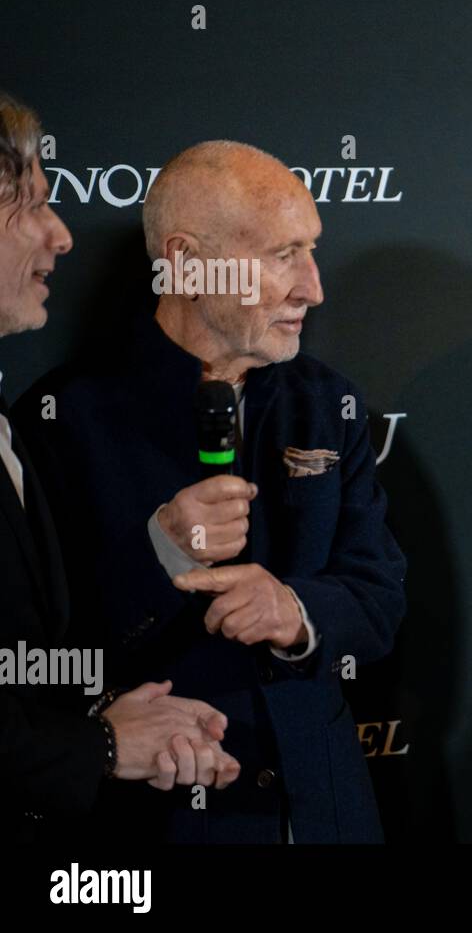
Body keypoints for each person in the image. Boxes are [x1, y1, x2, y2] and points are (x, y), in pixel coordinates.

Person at [14, 139, 406, 842]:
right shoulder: (61, 418)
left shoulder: (328, 404)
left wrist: (293, 610)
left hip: (320, 815)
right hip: (151, 824)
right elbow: (38, 654)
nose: (312, 287)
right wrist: (158, 554)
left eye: (311, 251)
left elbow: (380, 597)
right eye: (282, 255)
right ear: (187, 263)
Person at [0, 93, 238, 842]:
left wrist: (111, 720)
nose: (60, 234)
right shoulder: (64, 413)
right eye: (28, 204)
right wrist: (100, 746)